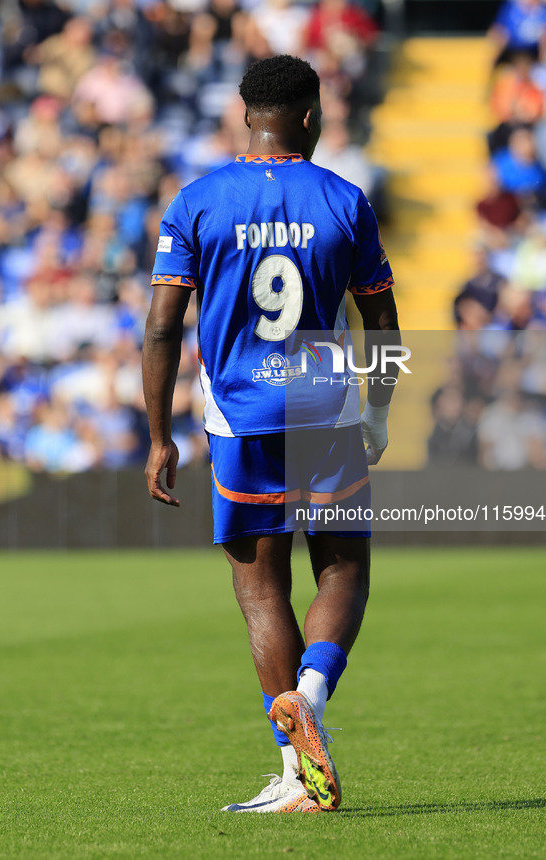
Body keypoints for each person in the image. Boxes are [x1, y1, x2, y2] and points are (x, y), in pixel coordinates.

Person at [142, 55, 399, 813]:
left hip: (241, 417)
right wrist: (379, 410)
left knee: (261, 590)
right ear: (311, 117)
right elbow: (379, 318)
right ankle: (312, 695)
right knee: (343, 569)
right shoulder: (344, 197)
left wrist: (159, 435)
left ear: (243, 113)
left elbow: (161, 328)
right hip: (327, 409)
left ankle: (294, 771)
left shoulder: (196, 201)